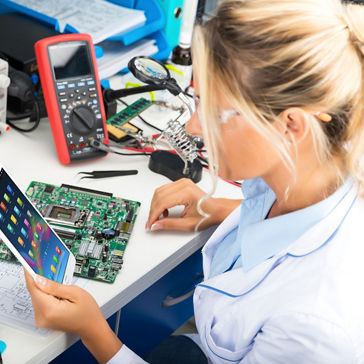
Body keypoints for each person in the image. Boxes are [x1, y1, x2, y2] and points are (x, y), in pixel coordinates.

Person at [25, 0, 364, 362]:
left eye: (213, 111)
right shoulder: (322, 163)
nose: (193, 127)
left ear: (291, 125)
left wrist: (94, 331)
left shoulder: (314, 331)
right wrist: (218, 208)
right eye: (196, 99)